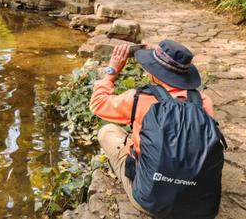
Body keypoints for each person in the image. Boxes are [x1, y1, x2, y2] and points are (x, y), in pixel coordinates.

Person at [91, 40, 222, 218]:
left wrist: (111, 73)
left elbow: (97, 104)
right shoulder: (203, 101)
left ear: (154, 72)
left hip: (149, 201)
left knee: (107, 131)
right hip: (198, 208)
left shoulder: (139, 99)